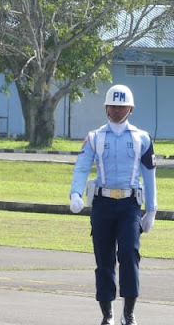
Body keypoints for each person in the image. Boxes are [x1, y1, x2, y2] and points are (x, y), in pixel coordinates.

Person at [70, 84, 157, 325]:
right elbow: (82, 166)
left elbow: (149, 174)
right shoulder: (95, 137)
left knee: (129, 254)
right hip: (103, 204)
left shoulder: (142, 138)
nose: (117, 110)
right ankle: (107, 314)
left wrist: (151, 210)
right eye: (113, 106)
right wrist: (75, 193)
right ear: (106, 108)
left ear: (131, 108)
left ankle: (128, 312)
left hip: (129, 204)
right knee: (104, 259)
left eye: (122, 106)